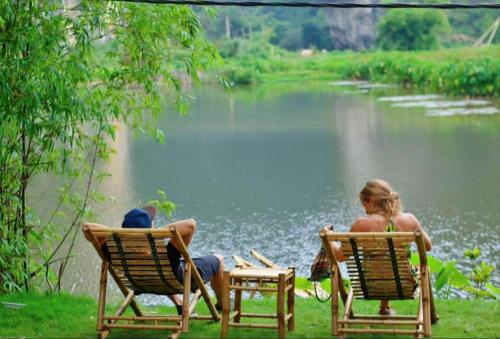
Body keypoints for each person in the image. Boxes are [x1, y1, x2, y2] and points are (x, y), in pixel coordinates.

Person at [328, 179, 432, 316]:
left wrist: (330, 239)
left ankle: (384, 308)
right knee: (391, 264)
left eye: (364, 205)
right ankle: (385, 308)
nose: (365, 211)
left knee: (382, 265)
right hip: (405, 284)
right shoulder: (410, 219)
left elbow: (340, 257)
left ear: (371, 201)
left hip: (370, 284)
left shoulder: (361, 224)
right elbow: (428, 246)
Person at [122, 207, 225, 314]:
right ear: (150, 228)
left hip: (140, 283)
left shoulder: (115, 251)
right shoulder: (166, 256)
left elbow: (101, 229)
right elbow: (191, 224)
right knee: (219, 259)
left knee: (162, 273)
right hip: (180, 281)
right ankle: (222, 305)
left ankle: (179, 304)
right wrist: (156, 234)